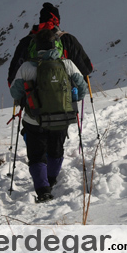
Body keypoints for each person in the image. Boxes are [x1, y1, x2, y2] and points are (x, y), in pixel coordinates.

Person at [10, 24, 89, 203]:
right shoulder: (67, 64)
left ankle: (43, 190)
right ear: (55, 46)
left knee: (37, 156)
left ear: (36, 47)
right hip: (62, 118)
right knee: (56, 151)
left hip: (34, 119)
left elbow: (15, 93)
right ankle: (52, 180)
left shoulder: (27, 68)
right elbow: (82, 89)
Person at [7, 3, 94, 87]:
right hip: (65, 98)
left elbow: (12, 78)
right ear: (57, 20)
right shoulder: (67, 39)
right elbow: (87, 69)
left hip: (32, 100)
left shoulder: (26, 42)